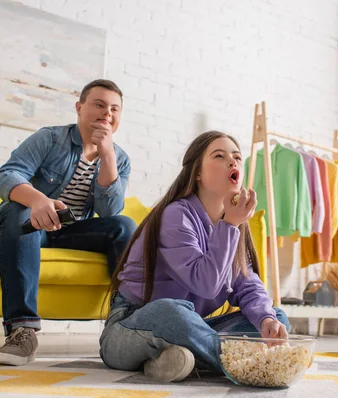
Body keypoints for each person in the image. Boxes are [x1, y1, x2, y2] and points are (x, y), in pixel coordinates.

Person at [99, 131, 290, 383]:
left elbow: (247, 285)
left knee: (275, 318)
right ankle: (246, 366)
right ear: (197, 172)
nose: (232, 162)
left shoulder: (232, 225)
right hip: (130, 328)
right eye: (219, 156)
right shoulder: (176, 215)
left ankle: (179, 359)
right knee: (173, 311)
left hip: (191, 329)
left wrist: (266, 318)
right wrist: (230, 226)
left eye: (236, 157)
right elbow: (206, 284)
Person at [0, 79, 137, 366]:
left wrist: (107, 155)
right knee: (21, 211)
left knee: (125, 226)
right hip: (26, 224)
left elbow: (110, 211)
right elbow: (7, 175)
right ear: (79, 108)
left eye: (114, 109)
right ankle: (22, 331)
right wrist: (39, 201)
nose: (107, 113)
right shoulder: (50, 139)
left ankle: (126, 325)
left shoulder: (120, 159)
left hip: (68, 232)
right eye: (99, 105)